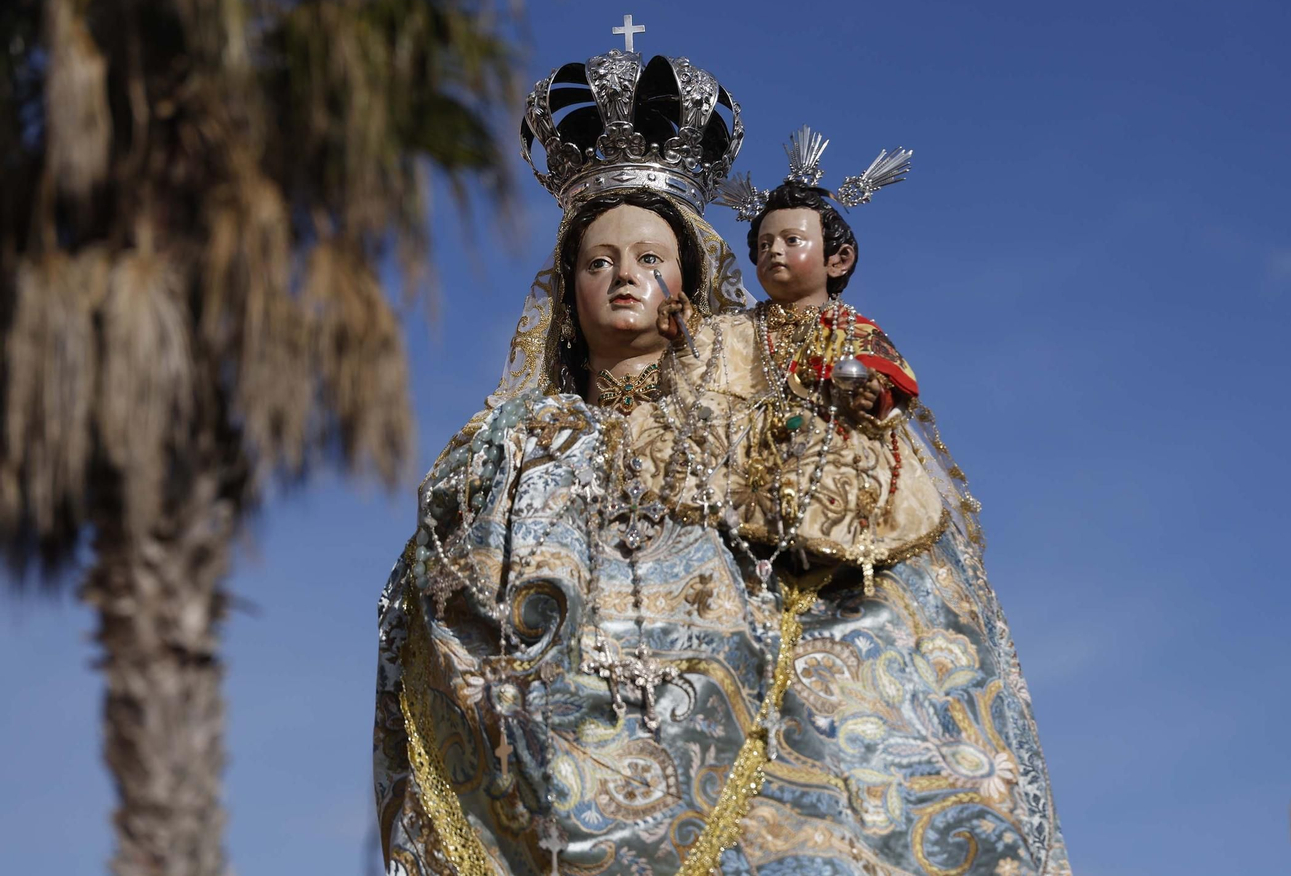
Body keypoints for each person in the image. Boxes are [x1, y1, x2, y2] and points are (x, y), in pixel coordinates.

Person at [375, 47, 1072, 876]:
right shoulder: (521, 436)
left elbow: (846, 501)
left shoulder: (748, 391)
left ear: (688, 283)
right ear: (567, 292)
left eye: (649, 260)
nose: (625, 277)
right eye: (600, 262)